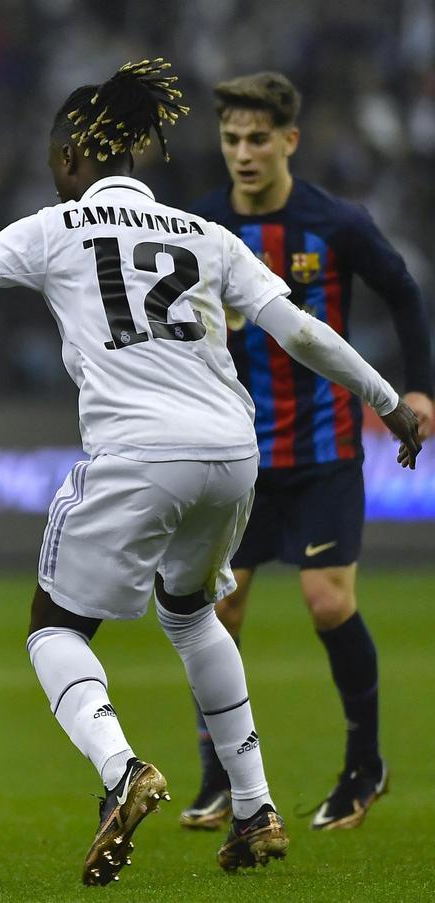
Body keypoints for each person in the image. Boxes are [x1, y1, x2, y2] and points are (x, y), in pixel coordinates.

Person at [0, 59, 424, 885]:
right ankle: (256, 807)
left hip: (138, 450)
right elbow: (301, 334)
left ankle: (123, 768)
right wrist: (388, 399)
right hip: (235, 453)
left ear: (69, 162)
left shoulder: (55, 228)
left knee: (52, 627)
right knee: (195, 615)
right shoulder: (206, 235)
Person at [177, 72, 434, 833]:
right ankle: (219, 773)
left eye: (258, 139)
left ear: (289, 140)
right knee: (218, 609)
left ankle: (365, 765)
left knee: (328, 601)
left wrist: (417, 390)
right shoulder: (201, 229)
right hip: (235, 458)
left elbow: (404, 291)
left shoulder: (336, 223)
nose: (244, 153)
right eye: (231, 139)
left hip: (323, 450)